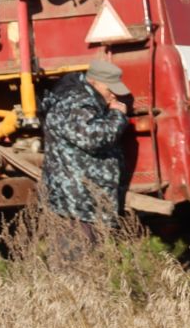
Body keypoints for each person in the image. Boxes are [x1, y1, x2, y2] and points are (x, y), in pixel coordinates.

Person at [39, 55, 130, 254]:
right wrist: (117, 116)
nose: (114, 96)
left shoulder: (86, 100)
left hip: (84, 204)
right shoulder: (75, 102)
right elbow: (93, 138)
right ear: (93, 82)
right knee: (74, 266)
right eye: (110, 90)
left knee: (89, 266)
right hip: (75, 205)